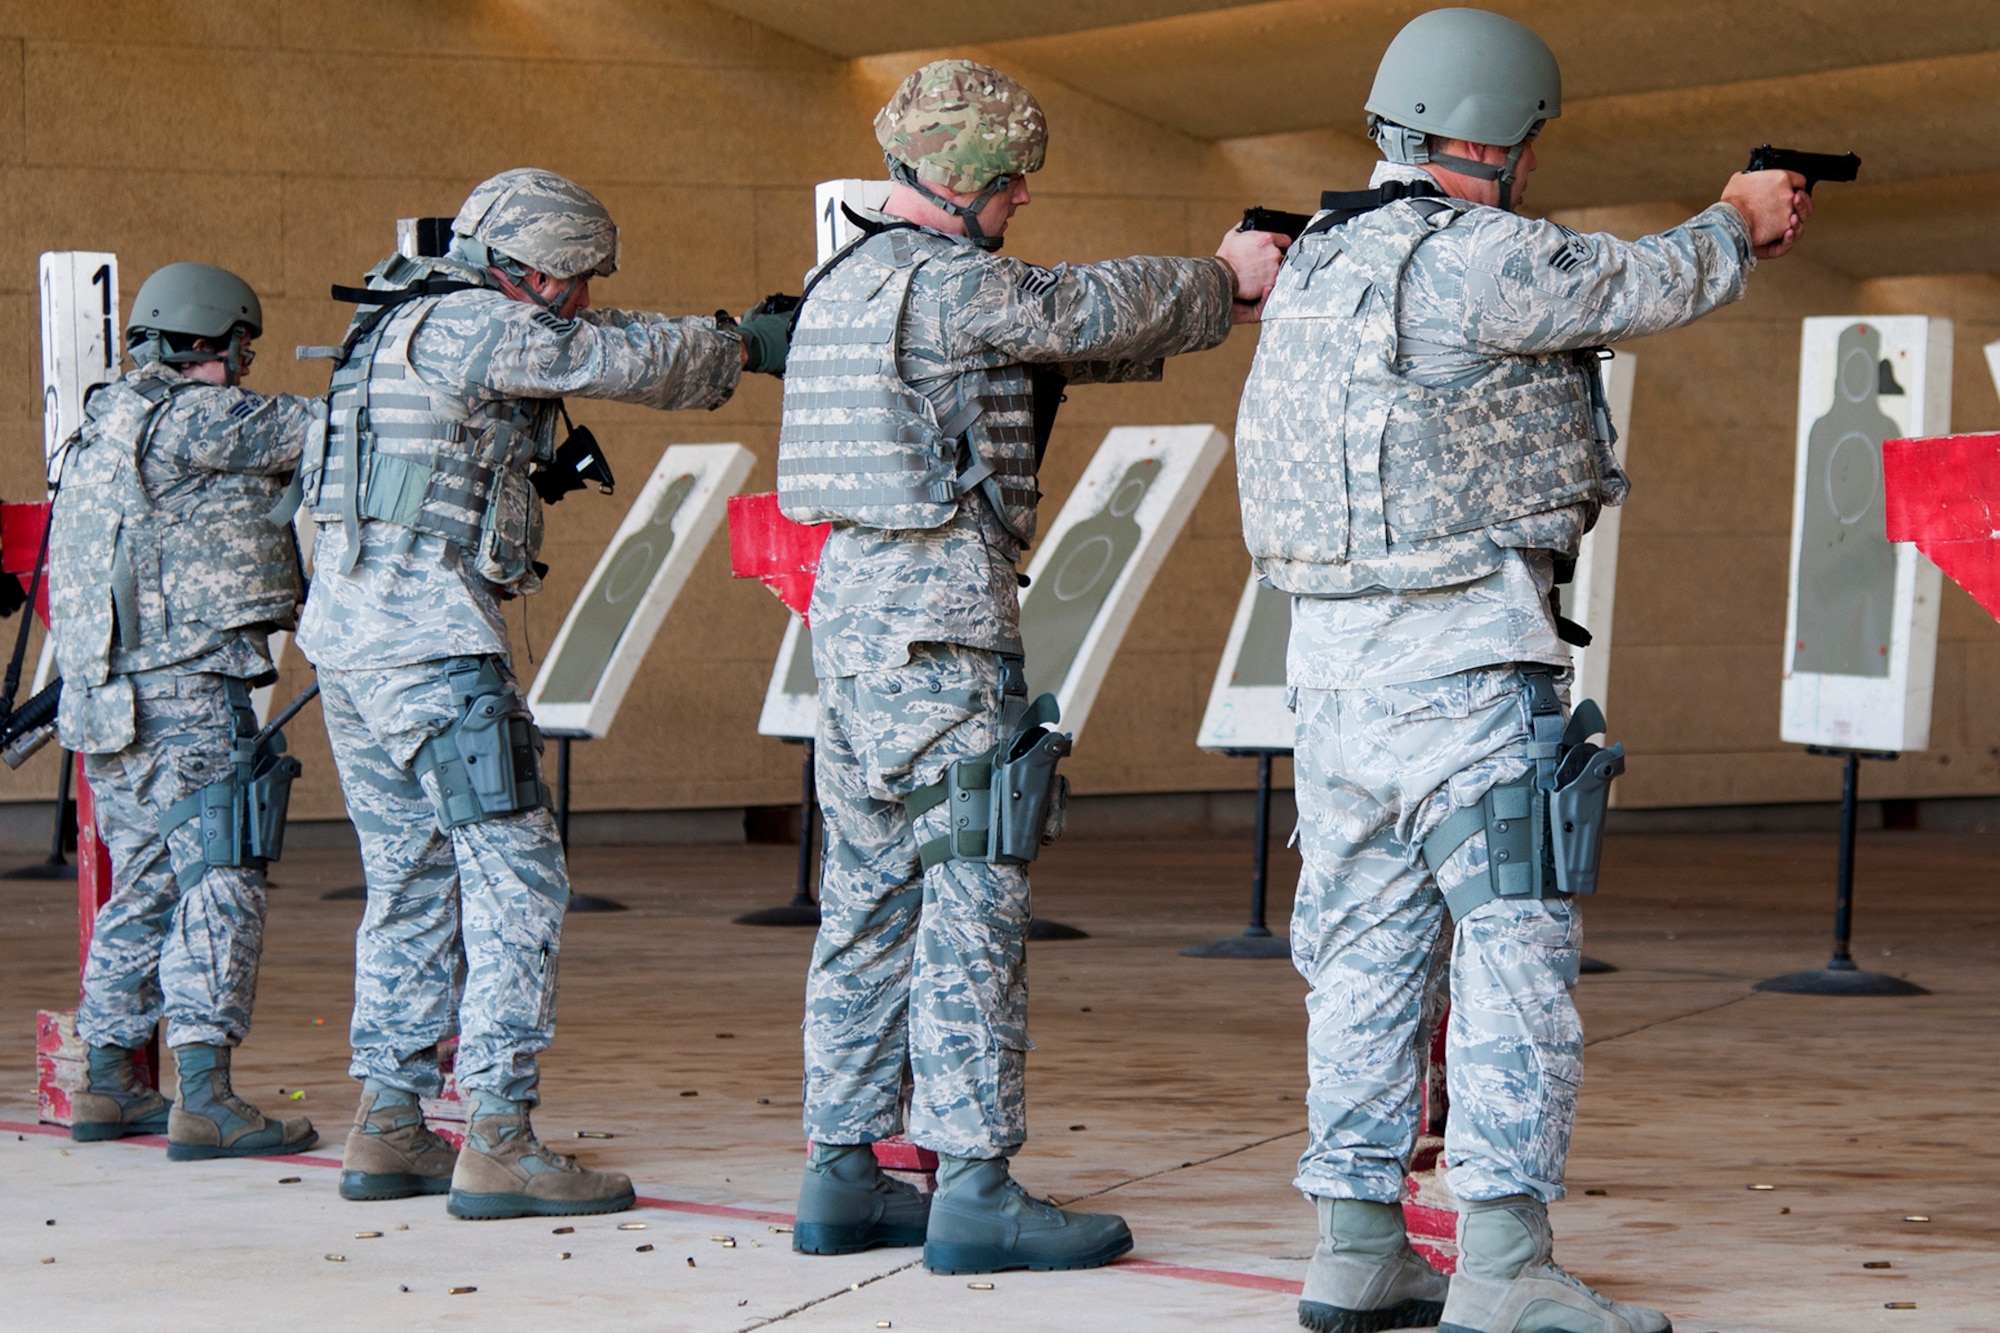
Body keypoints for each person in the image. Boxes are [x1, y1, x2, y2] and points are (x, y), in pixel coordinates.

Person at [1232, 9, 1812, 1333]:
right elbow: (1641, 281)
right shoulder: (1479, 255)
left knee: (1363, 967)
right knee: (1510, 969)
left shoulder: (1320, 258)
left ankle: (1354, 1246)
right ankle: (1501, 1267)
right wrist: (1736, 218)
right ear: (1499, 133)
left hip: (1329, 682)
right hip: (1465, 669)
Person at [779, 59, 1287, 1275]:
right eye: (1010, 187)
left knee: (864, 903)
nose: (1018, 207)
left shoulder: (841, 284)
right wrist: (1224, 278)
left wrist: (1210, 302)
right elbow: (1079, 310)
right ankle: (974, 1186)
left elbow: (1053, 351)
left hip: (847, 632)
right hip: (939, 628)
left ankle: (841, 1173)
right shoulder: (949, 285)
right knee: (970, 903)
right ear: (969, 181)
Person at [298, 168, 789, 1219]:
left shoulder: (389, 326)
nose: (580, 301)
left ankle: (389, 1123)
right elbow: (612, 357)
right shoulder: (477, 322)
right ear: (530, 269)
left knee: (411, 878)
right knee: (518, 879)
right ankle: (499, 1135)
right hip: (432, 652)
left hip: (350, 647)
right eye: (574, 283)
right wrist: (739, 345)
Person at [49, 262, 318, 1159]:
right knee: (218, 873)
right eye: (240, 351)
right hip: (184, 695)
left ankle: (108, 1081)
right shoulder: (196, 417)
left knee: (149, 881)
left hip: (108, 703)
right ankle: (205, 1094)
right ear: (213, 343)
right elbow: (328, 429)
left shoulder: (99, 429)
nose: (244, 369)